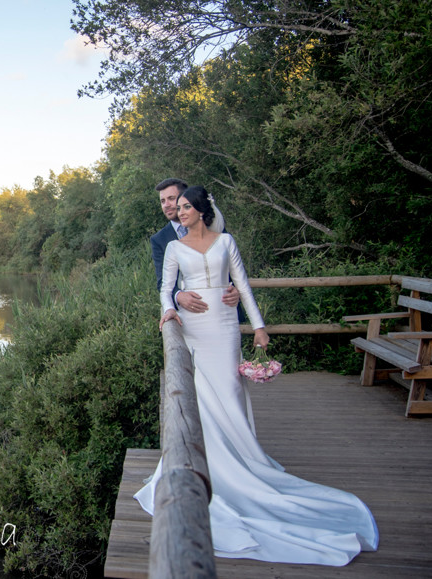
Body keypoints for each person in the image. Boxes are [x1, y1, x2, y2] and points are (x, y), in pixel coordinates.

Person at [135, 185, 379, 565]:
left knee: (230, 392)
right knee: (202, 395)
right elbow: (164, 289)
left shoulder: (226, 241)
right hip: (194, 329)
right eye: (176, 206)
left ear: (201, 210)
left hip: (225, 326)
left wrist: (259, 327)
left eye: (184, 206)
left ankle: (247, 458)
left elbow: (243, 285)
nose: (178, 212)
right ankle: (213, 464)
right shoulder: (171, 247)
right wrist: (171, 308)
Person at [149, 178, 239, 314]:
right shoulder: (159, 240)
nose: (166, 205)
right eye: (162, 201)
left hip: (225, 306)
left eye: (171, 198)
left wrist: (236, 288)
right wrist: (178, 295)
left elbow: (233, 265)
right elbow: (162, 281)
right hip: (189, 314)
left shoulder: (212, 225)